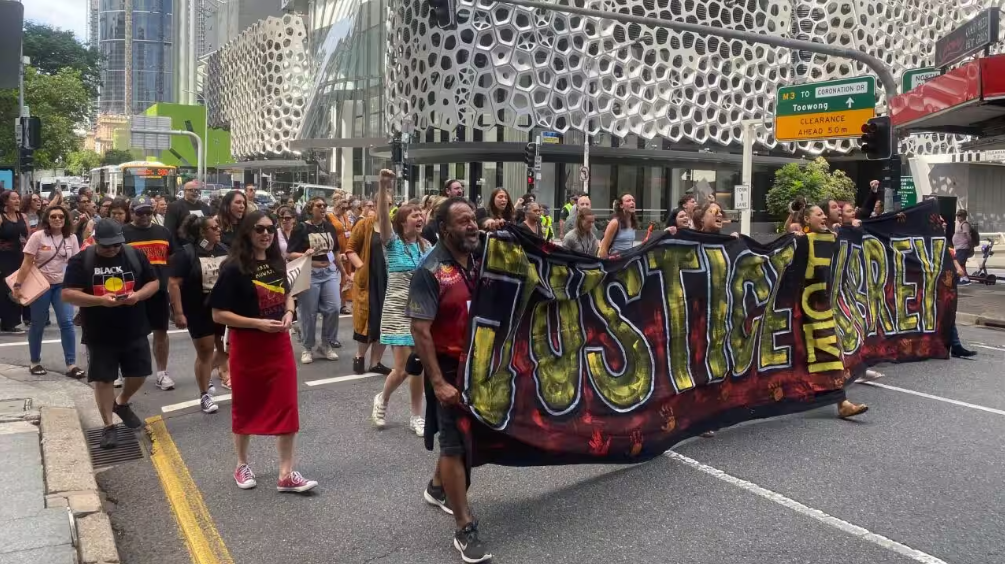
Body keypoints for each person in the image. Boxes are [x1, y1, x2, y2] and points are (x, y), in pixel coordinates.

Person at [407, 196, 491, 564]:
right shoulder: (430, 270)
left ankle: (436, 487)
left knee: (470, 440)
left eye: (473, 219)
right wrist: (439, 382)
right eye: (463, 221)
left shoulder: (478, 258)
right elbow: (420, 331)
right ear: (444, 229)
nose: (472, 225)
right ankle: (463, 526)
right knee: (455, 446)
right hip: (448, 370)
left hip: (481, 368)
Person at [210, 211, 318, 493]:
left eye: (270, 229)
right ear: (247, 232)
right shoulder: (233, 268)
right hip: (247, 346)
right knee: (246, 404)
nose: (266, 234)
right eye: (259, 229)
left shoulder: (277, 261)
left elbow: (288, 293)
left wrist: (289, 313)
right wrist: (257, 323)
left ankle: (286, 473)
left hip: (278, 344)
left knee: (286, 404)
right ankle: (242, 464)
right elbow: (219, 314)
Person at [62, 220, 160, 449]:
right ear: (96, 240)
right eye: (107, 246)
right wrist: (99, 301)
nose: (112, 250)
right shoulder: (82, 260)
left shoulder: (133, 255)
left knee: (140, 373)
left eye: (116, 245)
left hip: (134, 326)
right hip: (99, 331)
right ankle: (108, 427)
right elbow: (68, 294)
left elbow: (154, 282)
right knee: (104, 379)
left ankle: (121, 402)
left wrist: (138, 295)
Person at [799, 203, 871, 419]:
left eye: (823, 214)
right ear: (806, 221)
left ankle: (842, 403)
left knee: (832, 352)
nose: (823, 217)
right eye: (818, 214)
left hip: (823, 310)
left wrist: (853, 230)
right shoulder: (800, 242)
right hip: (800, 310)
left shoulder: (833, 238)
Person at [372, 170, 429, 435]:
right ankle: (382, 398)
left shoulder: (427, 246)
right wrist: (384, 187)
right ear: (402, 222)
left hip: (422, 311)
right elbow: (383, 216)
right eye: (413, 214)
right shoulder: (391, 243)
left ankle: (417, 416)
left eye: (421, 213)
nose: (419, 217)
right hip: (397, 311)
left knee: (418, 366)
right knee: (402, 369)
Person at [169, 215, 230, 412]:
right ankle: (204, 394)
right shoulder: (186, 253)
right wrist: (179, 313)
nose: (218, 230)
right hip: (198, 309)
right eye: (214, 228)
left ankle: (204, 375)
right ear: (203, 233)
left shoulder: (224, 250)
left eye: (218, 226)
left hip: (222, 309)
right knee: (204, 351)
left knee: (227, 350)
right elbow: (174, 284)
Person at [13, 205, 82, 377]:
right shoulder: (37, 236)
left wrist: (78, 286)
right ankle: (34, 362)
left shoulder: (71, 238)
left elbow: (75, 264)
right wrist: (17, 285)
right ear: (47, 219)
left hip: (62, 286)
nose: (57, 219)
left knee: (66, 323)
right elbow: (27, 262)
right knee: (38, 323)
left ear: (65, 219)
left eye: (60, 216)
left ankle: (71, 365)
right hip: (41, 286)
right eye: (53, 217)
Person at [122, 196, 175, 391]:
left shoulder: (163, 232)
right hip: (133, 293)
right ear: (131, 212)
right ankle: (125, 370)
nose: (144, 216)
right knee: (131, 333)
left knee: (161, 332)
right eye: (139, 212)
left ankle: (162, 373)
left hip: (159, 291)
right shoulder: (123, 233)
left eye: (148, 212)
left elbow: (172, 259)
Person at [289, 196, 344, 362]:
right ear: (310, 208)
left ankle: (326, 344)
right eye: (319, 205)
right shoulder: (301, 228)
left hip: (328, 272)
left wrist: (344, 272)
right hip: (309, 272)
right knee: (308, 313)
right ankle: (307, 347)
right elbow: (289, 253)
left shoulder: (329, 227)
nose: (323, 208)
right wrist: (303, 254)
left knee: (334, 308)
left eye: (324, 205)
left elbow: (334, 252)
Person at [346, 197, 391, 376]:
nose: (385, 207)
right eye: (382, 203)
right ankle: (359, 356)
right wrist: (360, 266)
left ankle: (376, 362)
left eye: (388, 204)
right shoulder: (365, 224)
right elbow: (350, 249)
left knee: (385, 321)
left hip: (389, 281)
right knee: (367, 321)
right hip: (369, 280)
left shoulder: (394, 226)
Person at [0, 191, 28, 334]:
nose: (17, 201)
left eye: (18, 198)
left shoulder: (22, 216)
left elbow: (28, 236)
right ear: (6, 202)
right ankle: (8, 323)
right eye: (14, 199)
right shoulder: (1, 217)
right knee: (6, 289)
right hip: (4, 257)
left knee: (18, 286)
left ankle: (15, 320)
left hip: (20, 255)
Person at [326, 190, 354, 314]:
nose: (343, 205)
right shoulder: (329, 216)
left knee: (345, 277)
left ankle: (343, 304)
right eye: (338, 199)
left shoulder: (346, 216)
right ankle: (333, 303)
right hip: (335, 250)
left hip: (346, 250)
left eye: (343, 200)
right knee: (335, 276)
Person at [598, 193, 637, 258]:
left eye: (633, 200)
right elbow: (603, 249)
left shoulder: (632, 222)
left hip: (627, 261)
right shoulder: (615, 223)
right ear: (621, 205)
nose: (632, 202)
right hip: (615, 263)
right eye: (628, 201)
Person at [954, 209, 973, 285]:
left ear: (964, 216)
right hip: (959, 247)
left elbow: (967, 235)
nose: (958, 217)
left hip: (963, 247)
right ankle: (963, 278)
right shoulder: (961, 224)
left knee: (959, 263)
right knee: (960, 263)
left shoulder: (965, 224)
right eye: (957, 215)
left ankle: (964, 279)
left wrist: (970, 245)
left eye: (960, 215)